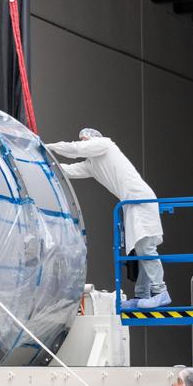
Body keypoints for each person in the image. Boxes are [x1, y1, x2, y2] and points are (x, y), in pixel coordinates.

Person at [43, 128, 169, 307]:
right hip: (131, 203)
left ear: (94, 139)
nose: (83, 142)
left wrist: (48, 147)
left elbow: (75, 149)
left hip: (141, 198)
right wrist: (43, 162)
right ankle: (143, 295)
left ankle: (160, 291)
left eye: (85, 139)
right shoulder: (93, 164)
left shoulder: (105, 145)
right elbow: (67, 171)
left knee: (146, 249)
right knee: (139, 251)